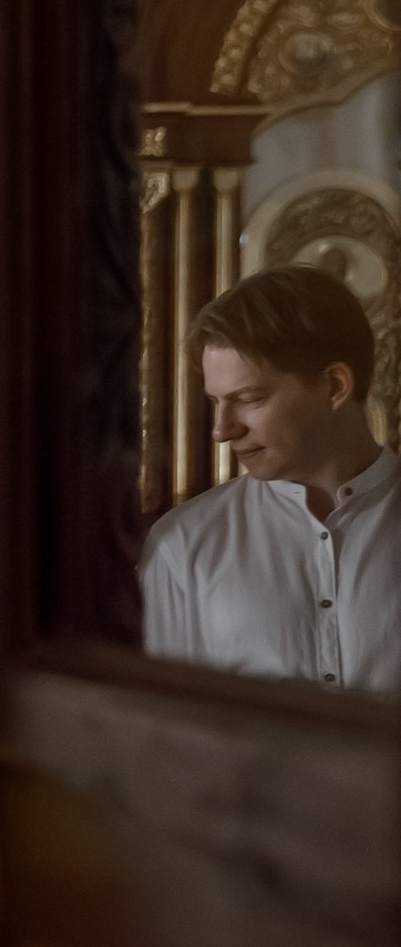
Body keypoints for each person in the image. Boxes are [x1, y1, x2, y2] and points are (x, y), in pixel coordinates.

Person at [142, 263, 401, 690]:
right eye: (216, 402)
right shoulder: (180, 546)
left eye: (248, 398)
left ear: (335, 385)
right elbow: (164, 731)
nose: (222, 429)